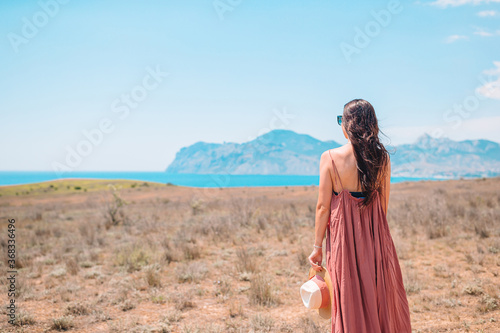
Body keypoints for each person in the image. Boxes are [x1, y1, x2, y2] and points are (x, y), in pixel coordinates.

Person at [308, 99, 412, 332]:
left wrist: (317, 246)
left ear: (347, 125)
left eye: (340, 121)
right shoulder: (382, 159)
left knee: (347, 294)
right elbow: (382, 208)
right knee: (378, 296)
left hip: (343, 242)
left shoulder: (330, 158)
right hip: (376, 239)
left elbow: (322, 207)